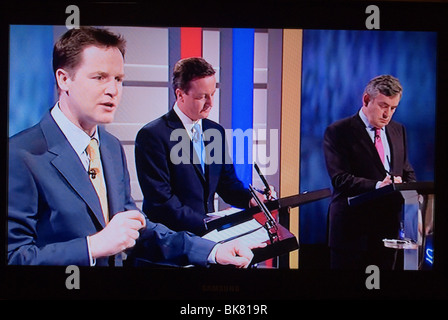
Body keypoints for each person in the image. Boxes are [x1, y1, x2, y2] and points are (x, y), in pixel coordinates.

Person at [7, 26, 263, 267]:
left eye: (118, 79)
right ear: (64, 79)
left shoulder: (110, 147)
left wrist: (212, 251)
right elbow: (14, 256)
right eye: (100, 77)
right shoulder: (20, 154)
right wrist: (92, 246)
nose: (113, 90)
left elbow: (137, 229)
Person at [135, 57, 272, 236]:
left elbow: (227, 184)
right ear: (180, 95)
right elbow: (162, 202)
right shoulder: (152, 135)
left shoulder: (215, 131)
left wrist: (252, 199)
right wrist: (209, 224)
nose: (211, 103)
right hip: (170, 243)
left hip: (207, 239)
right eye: (202, 97)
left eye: (212, 94)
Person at [323, 75, 416, 270]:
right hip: (351, 235)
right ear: (366, 100)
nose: (387, 114)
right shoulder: (339, 131)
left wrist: (405, 188)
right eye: (383, 106)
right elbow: (340, 179)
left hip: (387, 235)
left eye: (393, 108)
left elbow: (407, 172)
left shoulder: (399, 131)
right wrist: (377, 186)